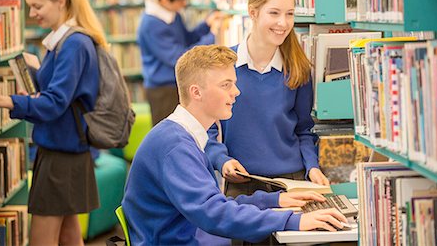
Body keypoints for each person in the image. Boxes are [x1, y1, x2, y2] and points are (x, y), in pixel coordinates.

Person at [122, 45, 347, 245]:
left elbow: (212, 203)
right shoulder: (175, 146)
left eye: (234, 83)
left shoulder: (181, 135)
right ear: (196, 92)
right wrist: (294, 220)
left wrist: (273, 200)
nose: (236, 92)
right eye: (225, 85)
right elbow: (213, 213)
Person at [0, 0, 105, 245]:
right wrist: (39, 70)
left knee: (42, 239)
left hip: (62, 155)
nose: (32, 14)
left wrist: (4, 100)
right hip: (63, 150)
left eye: (37, 6)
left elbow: (55, 103)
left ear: (61, 1)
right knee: (69, 236)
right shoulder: (65, 42)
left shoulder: (73, 44)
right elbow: (63, 94)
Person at [205, 0, 330, 198]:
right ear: (253, 12)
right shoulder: (224, 65)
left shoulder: (298, 69)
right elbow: (207, 128)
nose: (283, 22)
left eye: (289, 14)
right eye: (274, 13)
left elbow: (304, 129)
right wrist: (221, 160)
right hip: (242, 183)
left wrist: (312, 166)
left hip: (292, 181)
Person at [137, 0, 222, 126]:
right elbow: (178, 57)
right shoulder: (151, 23)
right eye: (180, 1)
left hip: (176, 83)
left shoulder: (172, 14)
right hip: (162, 90)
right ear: (164, 0)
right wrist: (213, 36)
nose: (184, 4)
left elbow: (188, 39)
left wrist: (206, 25)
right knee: (168, 133)